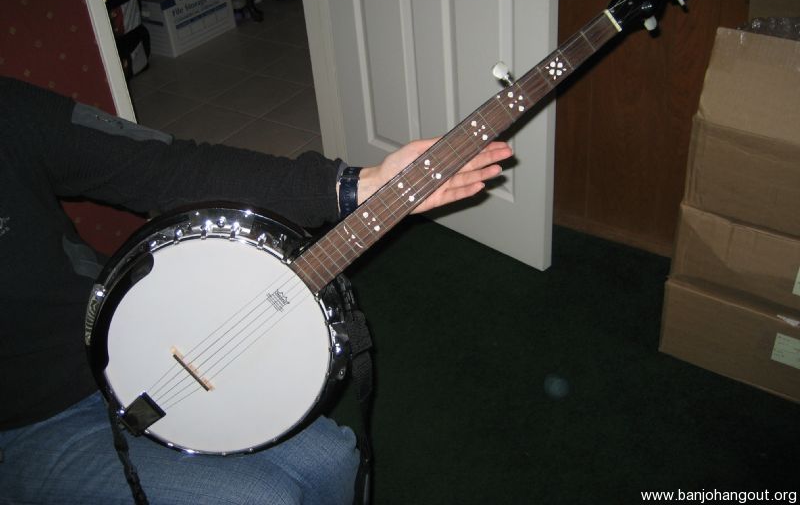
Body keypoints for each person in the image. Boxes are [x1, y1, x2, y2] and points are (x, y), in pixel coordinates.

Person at [0, 76, 511, 504]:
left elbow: (168, 167)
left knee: (335, 459)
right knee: (263, 497)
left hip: (129, 342)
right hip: (26, 423)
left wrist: (357, 185)